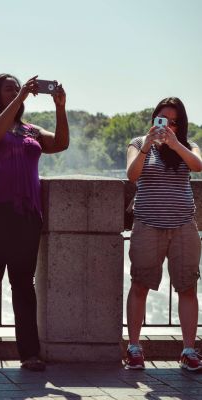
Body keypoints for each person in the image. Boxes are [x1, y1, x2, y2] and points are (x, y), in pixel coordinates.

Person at [0, 74, 69, 371]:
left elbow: (60, 143)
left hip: (27, 216)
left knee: (24, 284)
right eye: (9, 88)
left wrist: (60, 108)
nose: (16, 90)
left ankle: (30, 353)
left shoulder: (29, 130)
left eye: (17, 86)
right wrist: (20, 98)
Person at [125, 97, 202, 371]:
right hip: (147, 225)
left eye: (174, 121)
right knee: (140, 284)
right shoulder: (137, 143)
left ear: (180, 124)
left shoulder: (186, 145)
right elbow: (132, 175)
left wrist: (175, 144)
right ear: (153, 119)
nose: (168, 125)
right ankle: (134, 347)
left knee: (187, 287)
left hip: (183, 226)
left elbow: (197, 165)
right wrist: (147, 146)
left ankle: (189, 350)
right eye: (163, 119)